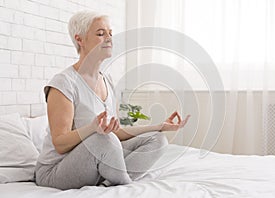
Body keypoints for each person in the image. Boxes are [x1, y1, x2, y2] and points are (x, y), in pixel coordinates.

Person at [35, 11, 190, 190]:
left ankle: (111, 180)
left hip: (95, 160)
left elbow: (115, 133)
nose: (109, 38)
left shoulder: (106, 80)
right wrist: (93, 129)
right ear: (80, 40)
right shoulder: (64, 83)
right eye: (101, 34)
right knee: (102, 140)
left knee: (157, 140)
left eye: (110, 33)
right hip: (56, 171)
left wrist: (159, 126)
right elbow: (60, 143)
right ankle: (125, 187)